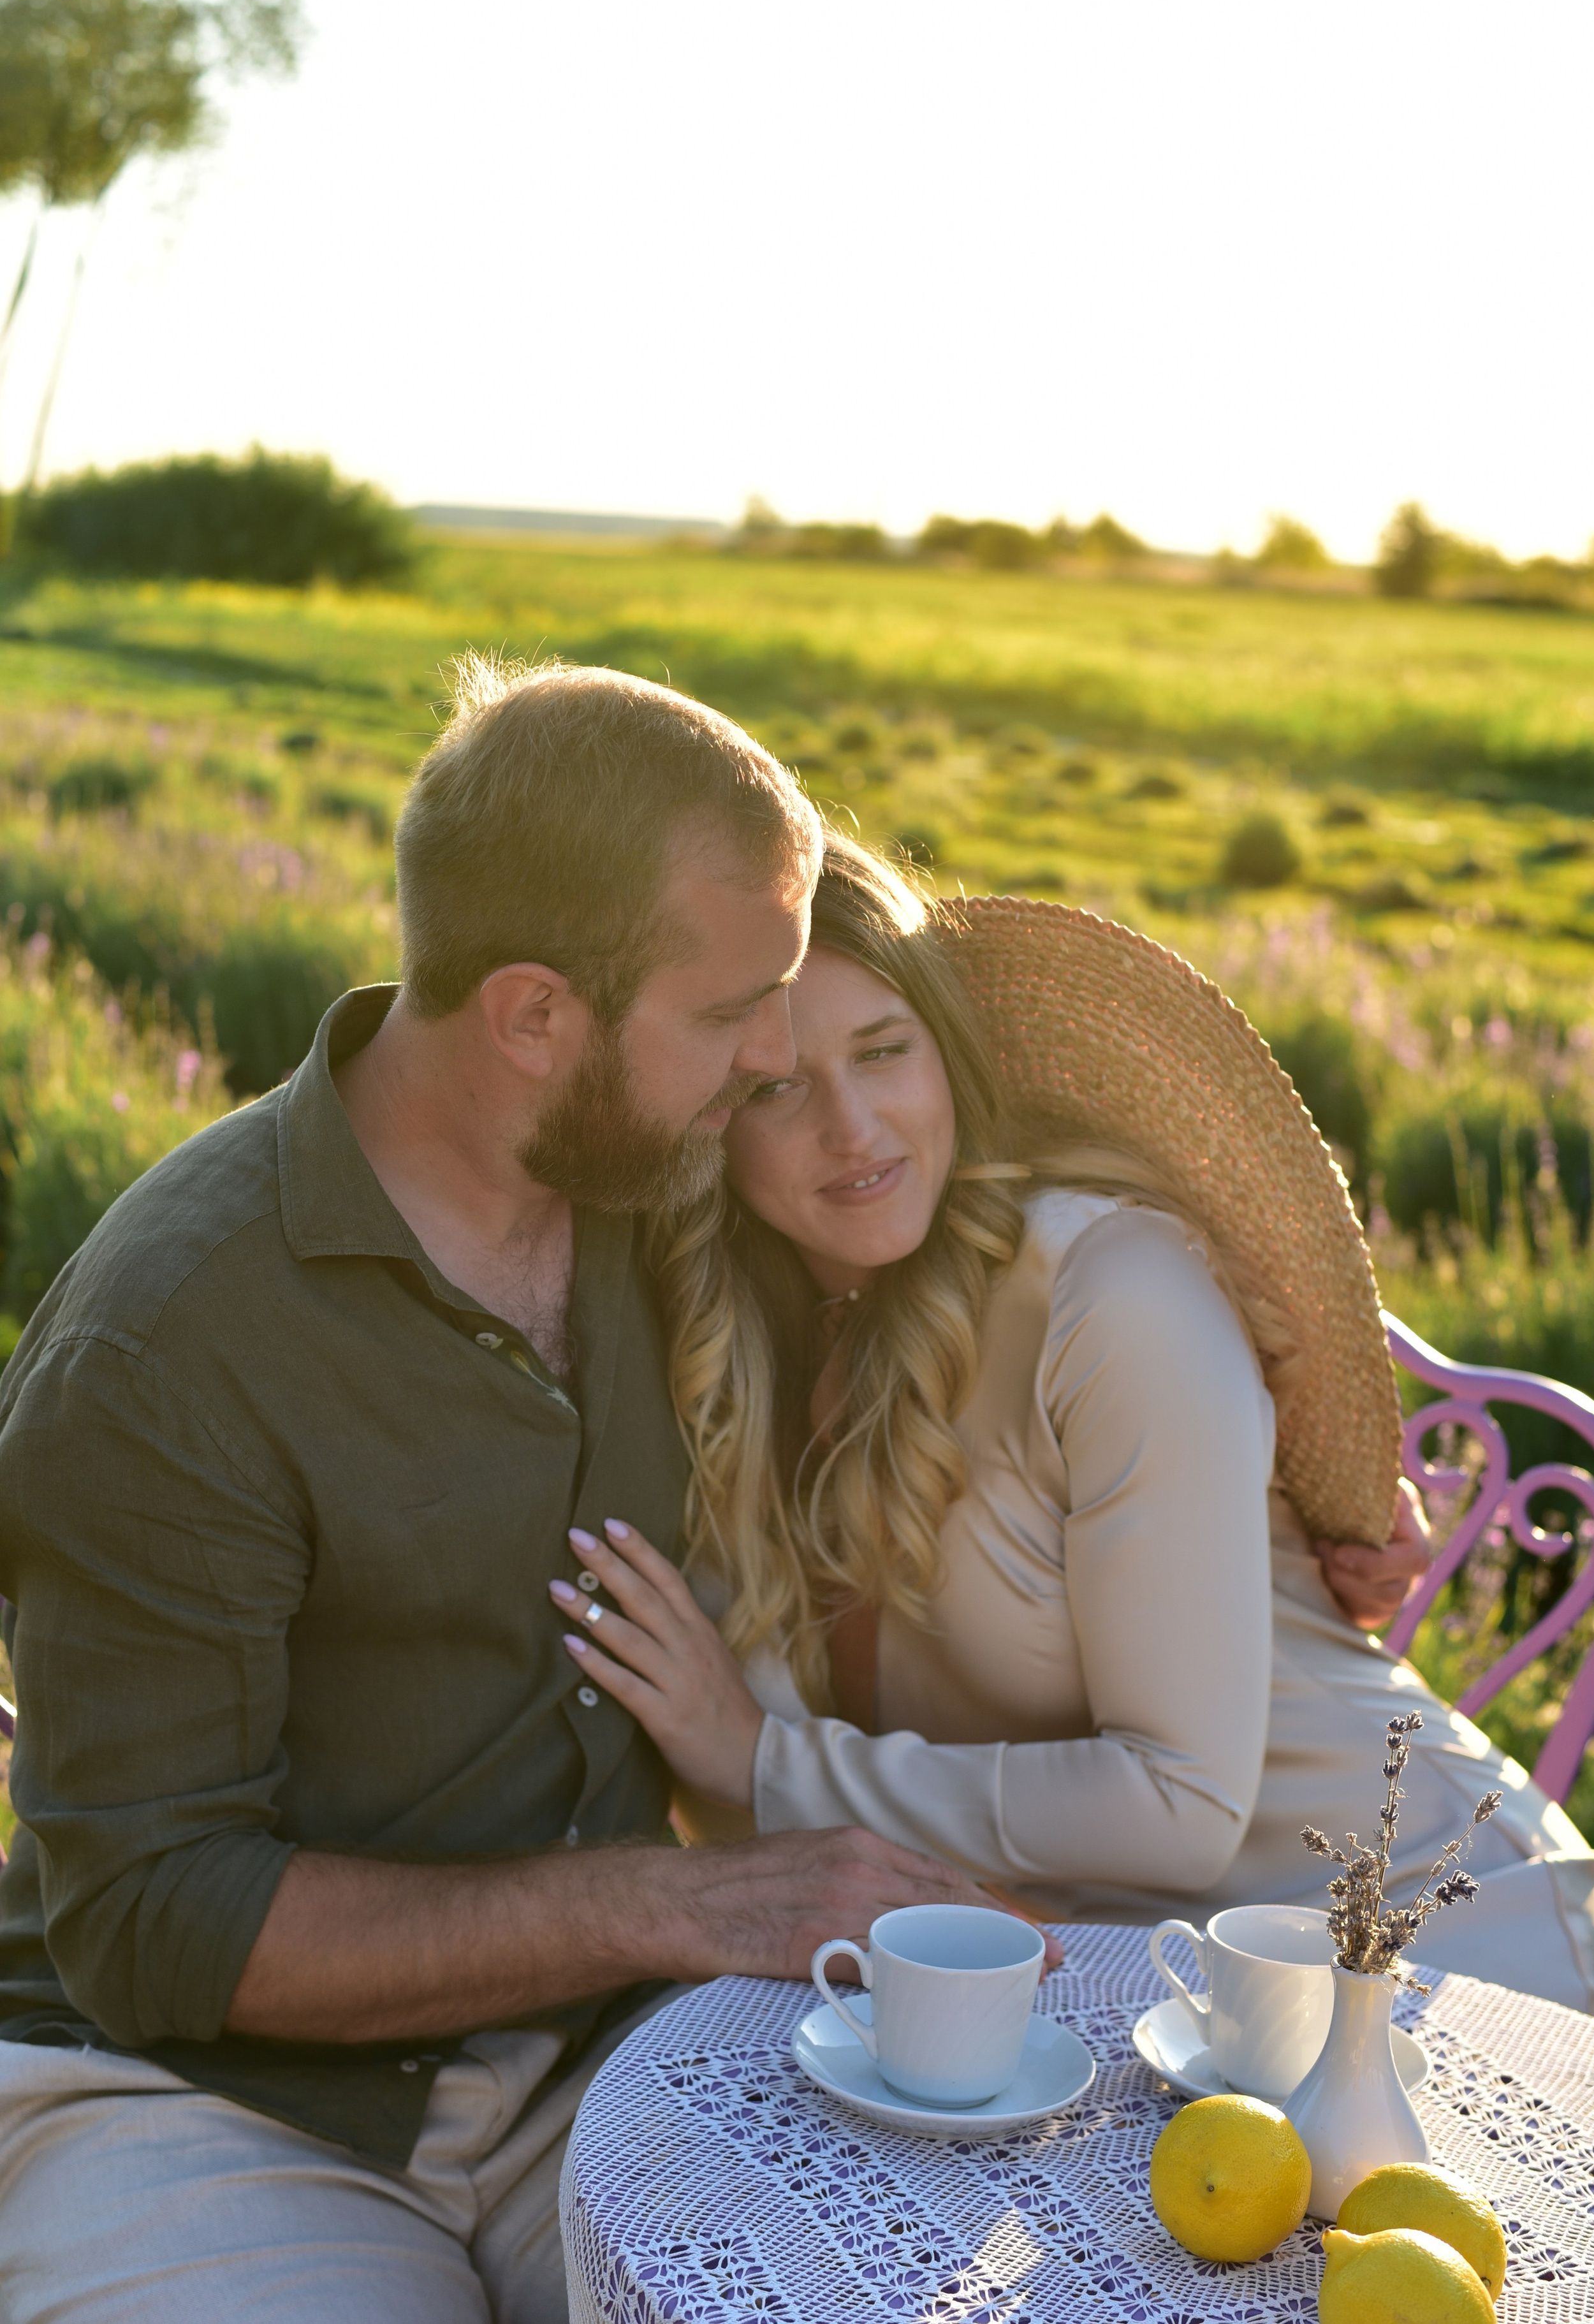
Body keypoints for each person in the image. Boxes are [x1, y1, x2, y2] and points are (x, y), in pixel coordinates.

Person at [0, 671, 1011, 2324]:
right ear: (536, 1015)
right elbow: (150, 1923)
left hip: (604, 2058)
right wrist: (676, 1897)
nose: (775, 1055)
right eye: (730, 1008)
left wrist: (1304, 1468)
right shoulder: (164, 1346)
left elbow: (993, 1173)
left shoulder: (652, 1185)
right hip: (197, 2103)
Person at [553, 836, 1594, 2022]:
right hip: (1119, 1984)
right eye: (776, 1084)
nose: (854, 1128)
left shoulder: (1107, 1287)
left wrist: (760, 1757)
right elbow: (741, 1795)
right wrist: (740, 1764)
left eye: (884, 1050)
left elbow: (1178, 1803)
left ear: (949, 1056)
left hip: (1435, 1948)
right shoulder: (728, 1345)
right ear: (711, 1115)